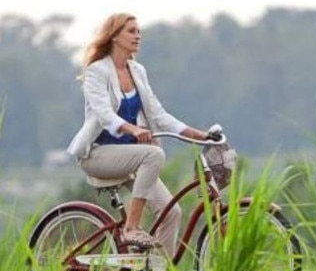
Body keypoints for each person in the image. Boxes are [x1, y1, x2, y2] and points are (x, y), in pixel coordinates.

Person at [67, 13, 211, 256]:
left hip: (131, 156)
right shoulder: (97, 71)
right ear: (114, 36)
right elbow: (104, 114)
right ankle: (131, 227)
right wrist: (132, 129)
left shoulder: (137, 71)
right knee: (153, 155)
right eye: (131, 31)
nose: (138, 35)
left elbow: (158, 114)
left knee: (170, 212)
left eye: (139, 31)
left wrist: (199, 135)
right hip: (98, 155)